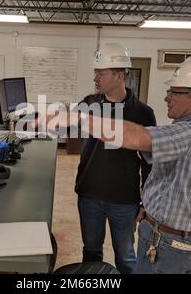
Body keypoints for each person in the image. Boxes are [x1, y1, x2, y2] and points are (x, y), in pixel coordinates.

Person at [78, 57, 191, 274]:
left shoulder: (187, 133)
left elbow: (136, 137)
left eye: (174, 92)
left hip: (166, 245)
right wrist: (153, 206)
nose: (166, 97)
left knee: (126, 258)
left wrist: (75, 118)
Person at [67, 43, 156, 274]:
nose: (95, 78)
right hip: (89, 196)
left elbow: (149, 163)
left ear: (119, 76)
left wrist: (146, 201)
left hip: (124, 200)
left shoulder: (143, 113)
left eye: (101, 73)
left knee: (126, 258)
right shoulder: (89, 103)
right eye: (95, 72)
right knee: (91, 253)